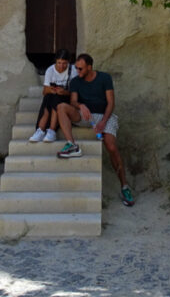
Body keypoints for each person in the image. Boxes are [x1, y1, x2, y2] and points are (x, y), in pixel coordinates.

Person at [55, 53, 134, 206]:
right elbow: (73, 101)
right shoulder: (76, 81)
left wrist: (103, 122)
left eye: (81, 68)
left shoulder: (104, 78)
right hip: (86, 115)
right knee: (61, 107)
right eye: (76, 68)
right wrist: (81, 105)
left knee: (111, 146)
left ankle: (124, 186)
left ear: (90, 67)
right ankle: (72, 144)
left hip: (105, 115)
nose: (78, 71)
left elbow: (111, 103)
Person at [28, 48, 74, 143]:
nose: (61, 66)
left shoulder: (73, 71)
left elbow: (75, 92)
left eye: (64, 63)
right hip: (53, 97)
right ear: (55, 62)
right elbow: (44, 91)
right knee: (50, 96)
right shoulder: (50, 70)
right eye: (59, 63)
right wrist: (53, 90)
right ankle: (44, 131)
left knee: (55, 98)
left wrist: (64, 92)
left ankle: (45, 130)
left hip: (67, 99)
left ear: (68, 62)